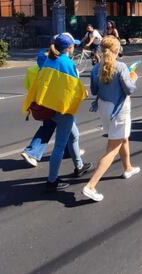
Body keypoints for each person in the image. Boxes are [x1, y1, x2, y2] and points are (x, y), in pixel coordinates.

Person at [22, 33, 92, 192]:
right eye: (73, 45)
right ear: (69, 47)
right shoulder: (67, 63)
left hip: (49, 106)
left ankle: (79, 166)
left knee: (74, 136)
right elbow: (74, 88)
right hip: (62, 109)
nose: (74, 46)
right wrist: (84, 93)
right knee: (60, 146)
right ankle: (52, 180)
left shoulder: (48, 60)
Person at [82, 37, 139, 202]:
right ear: (117, 50)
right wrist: (133, 78)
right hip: (119, 110)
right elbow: (129, 90)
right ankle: (91, 186)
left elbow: (93, 90)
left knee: (122, 138)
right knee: (113, 148)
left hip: (103, 107)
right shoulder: (121, 67)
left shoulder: (96, 68)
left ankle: (128, 168)